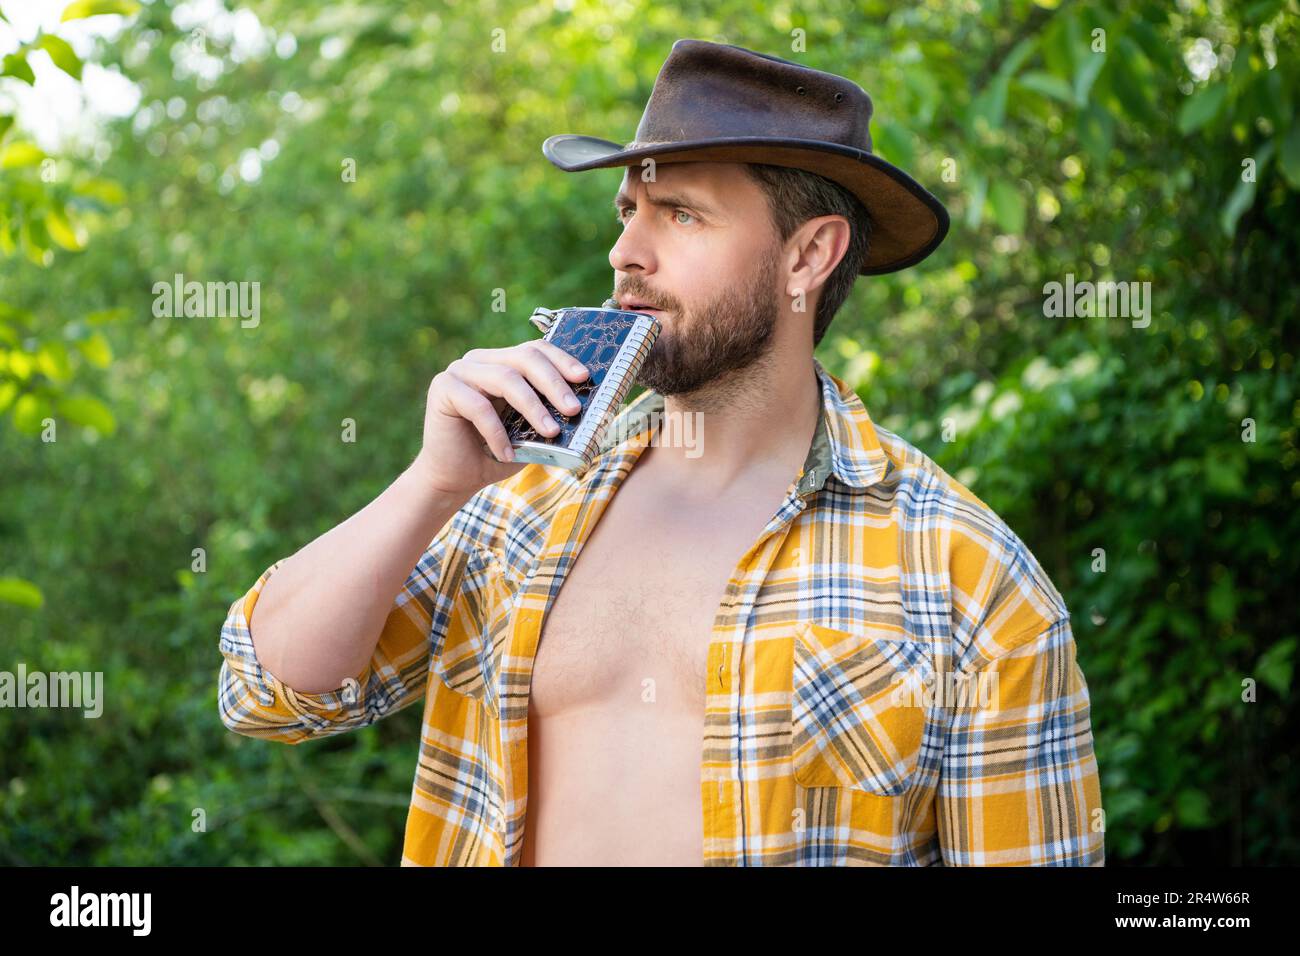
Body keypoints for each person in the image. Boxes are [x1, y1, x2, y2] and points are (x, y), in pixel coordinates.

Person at [217, 38, 1105, 866]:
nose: (624, 252)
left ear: (809, 256)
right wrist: (433, 482)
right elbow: (266, 692)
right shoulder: (518, 504)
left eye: (680, 215)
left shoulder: (973, 583)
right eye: (629, 209)